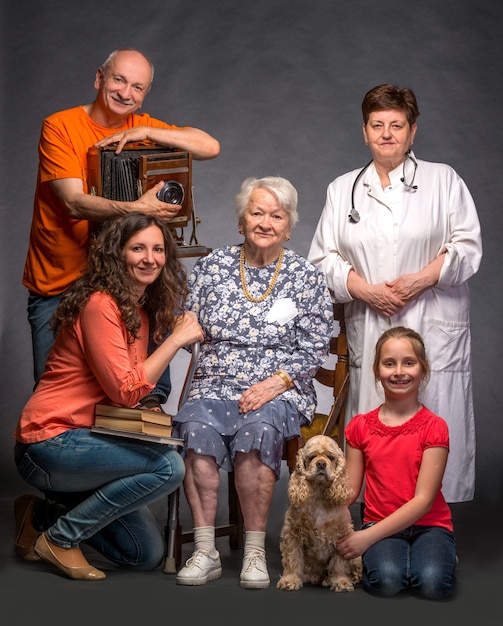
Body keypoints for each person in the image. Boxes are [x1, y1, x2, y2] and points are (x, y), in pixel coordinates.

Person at [308, 83, 482, 503]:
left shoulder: (444, 181)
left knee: (433, 421)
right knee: (376, 425)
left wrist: (421, 279)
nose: (387, 134)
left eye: (397, 125)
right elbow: (321, 262)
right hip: (372, 321)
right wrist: (366, 290)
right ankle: (377, 518)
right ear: (364, 131)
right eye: (377, 125)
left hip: (432, 320)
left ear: (412, 131)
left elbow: (467, 248)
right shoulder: (343, 188)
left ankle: (432, 524)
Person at [22, 47, 219, 410]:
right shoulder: (60, 126)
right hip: (59, 281)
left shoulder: (140, 125)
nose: (126, 93)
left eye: (138, 87)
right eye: (119, 80)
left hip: (121, 281)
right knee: (59, 395)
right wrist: (137, 208)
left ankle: (139, 459)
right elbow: (74, 202)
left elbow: (209, 146)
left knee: (139, 395)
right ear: (99, 78)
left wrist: (146, 129)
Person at [13, 212, 204, 581]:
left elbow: (129, 393)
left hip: (92, 441)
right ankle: (60, 538)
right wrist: (176, 339)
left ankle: (38, 516)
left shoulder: (140, 311)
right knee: (168, 467)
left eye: (158, 249)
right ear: (118, 253)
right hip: (50, 442)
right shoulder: (100, 305)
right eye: (138, 248)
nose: (150, 258)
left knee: (143, 554)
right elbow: (126, 390)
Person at [171, 176, 334, 589]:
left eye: (276, 215)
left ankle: (256, 552)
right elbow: (187, 324)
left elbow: (314, 349)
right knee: (195, 426)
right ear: (241, 221)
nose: (265, 222)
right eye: (256, 213)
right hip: (214, 381)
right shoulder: (211, 267)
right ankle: (205, 550)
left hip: (279, 385)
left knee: (258, 430)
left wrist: (274, 384)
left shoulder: (306, 277)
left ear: (289, 225)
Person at [337, 326, 457, 600]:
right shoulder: (360, 427)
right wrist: (338, 511)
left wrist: (365, 539)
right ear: (377, 372)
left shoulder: (434, 427)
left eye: (409, 363)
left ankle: (444, 552)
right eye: (389, 363)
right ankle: (405, 556)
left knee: (432, 584)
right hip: (379, 521)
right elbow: (351, 490)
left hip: (430, 524)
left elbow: (424, 501)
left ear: (423, 370)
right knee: (387, 583)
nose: (399, 371)